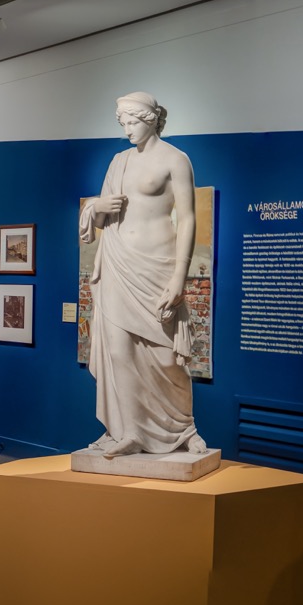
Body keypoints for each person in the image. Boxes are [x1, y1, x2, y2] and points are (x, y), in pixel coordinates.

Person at [80, 92, 207, 458]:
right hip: (118, 263)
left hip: (158, 266)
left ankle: (184, 428)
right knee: (118, 351)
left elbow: (187, 219)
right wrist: (97, 208)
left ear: (150, 120)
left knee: (168, 357)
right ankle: (129, 431)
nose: (127, 130)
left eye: (132, 122)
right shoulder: (118, 161)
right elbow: (97, 216)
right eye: (123, 123)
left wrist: (180, 277)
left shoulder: (175, 159)